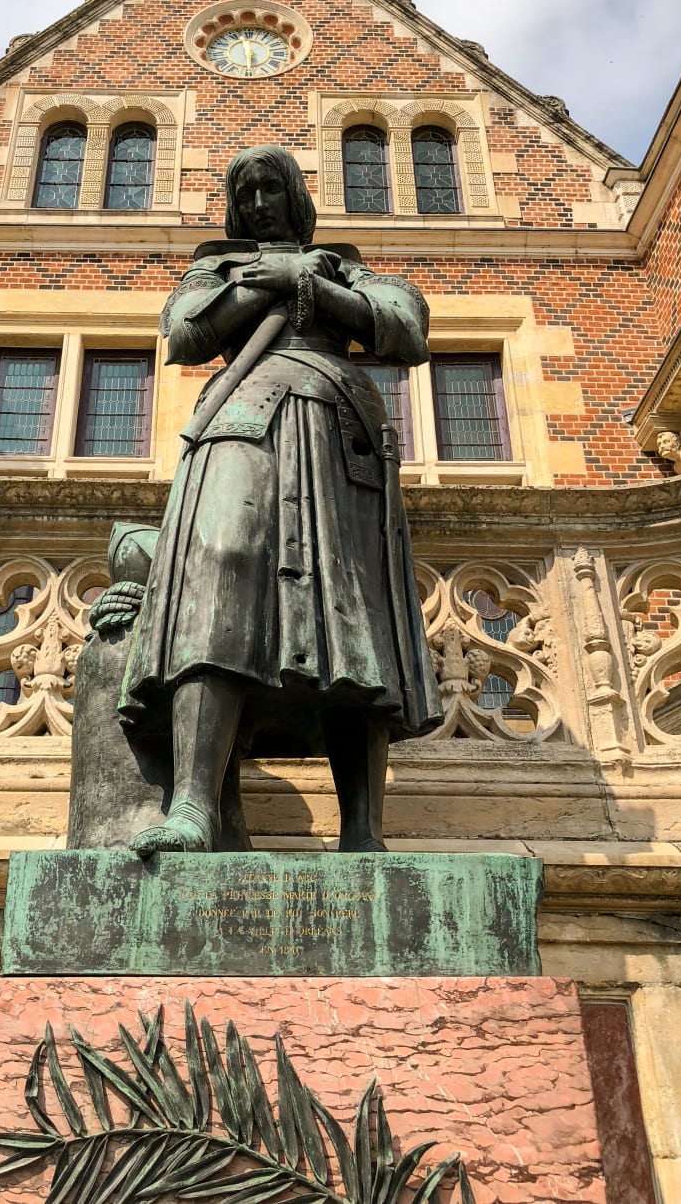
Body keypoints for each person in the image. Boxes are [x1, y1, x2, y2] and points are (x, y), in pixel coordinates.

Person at [122, 145, 441, 856]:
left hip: (336, 431)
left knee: (352, 613)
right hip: (237, 421)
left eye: (273, 187)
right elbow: (184, 333)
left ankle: (363, 831)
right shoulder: (217, 265)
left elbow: (405, 328)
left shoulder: (343, 262)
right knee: (218, 576)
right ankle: (194, 811)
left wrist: (314, 282)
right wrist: (259, 283)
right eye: (248, 191)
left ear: (297, 197)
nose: (261, 200)